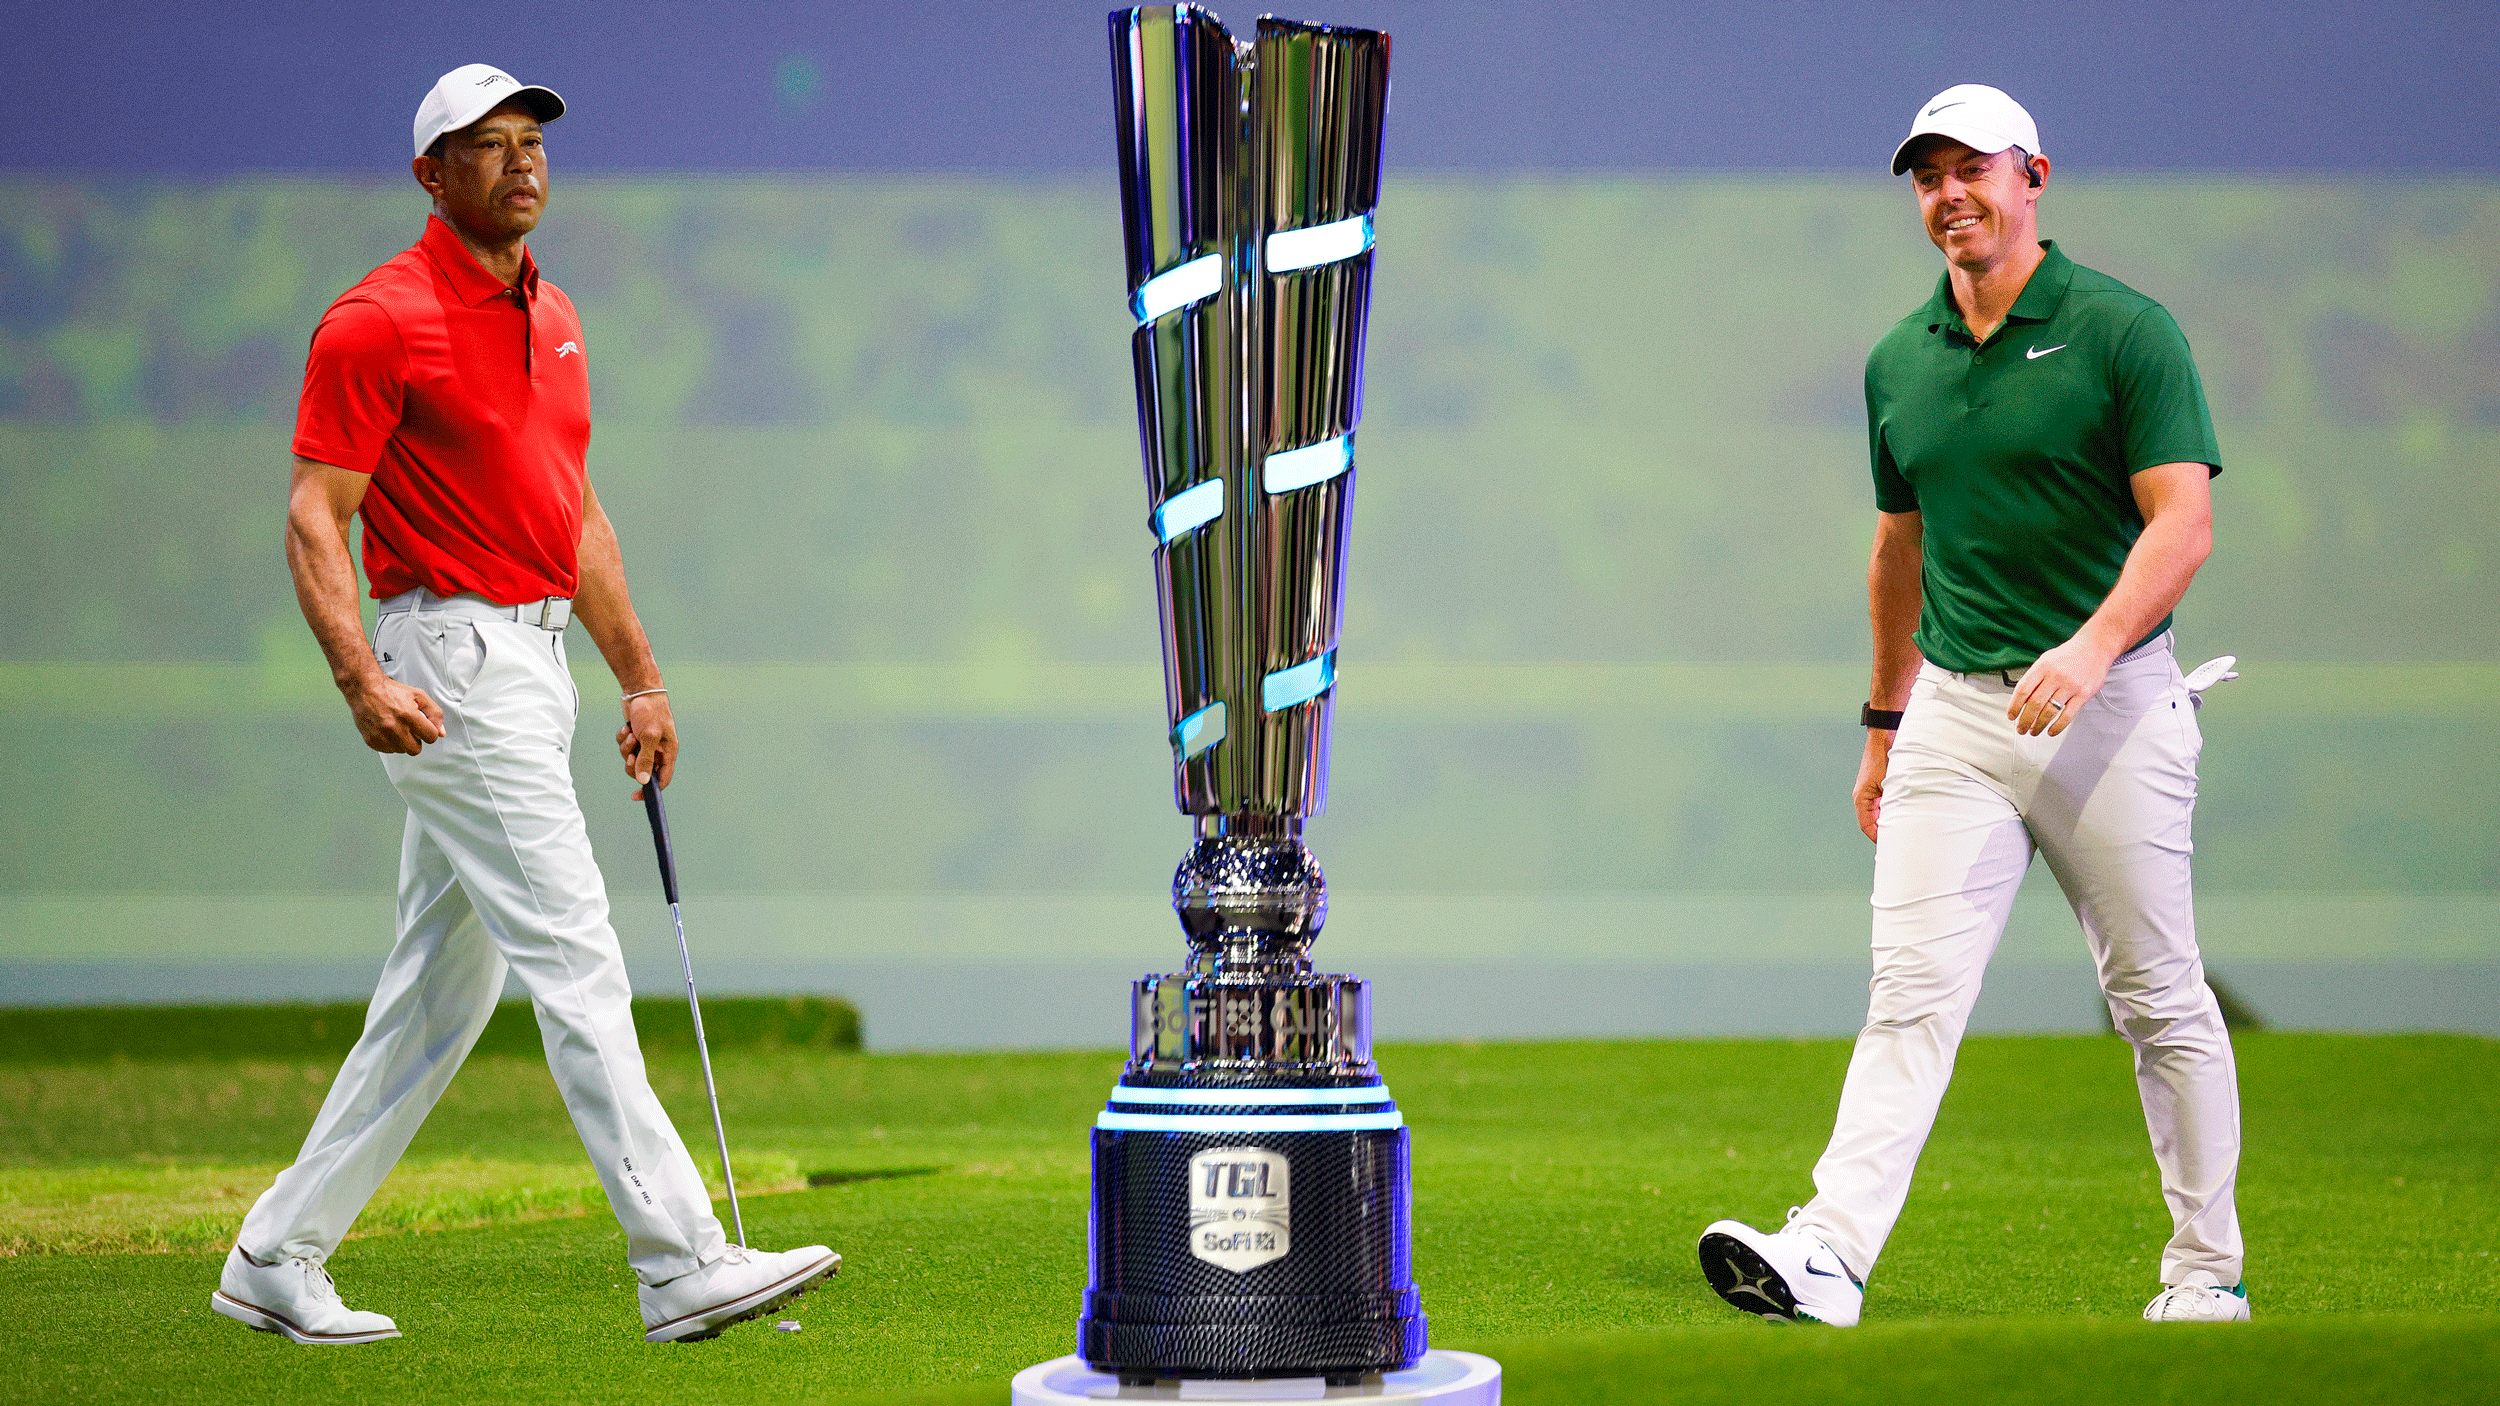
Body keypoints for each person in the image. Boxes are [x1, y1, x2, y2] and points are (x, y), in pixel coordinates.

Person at [213, 63, 837, 1346]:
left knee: (440, 993)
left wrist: (641, 673)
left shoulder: (556, 317)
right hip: (448, 665)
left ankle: (276, 1250)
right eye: (483, 146)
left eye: (530, 141)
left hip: (535, 662)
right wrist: (359, 677)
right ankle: (679, 1256)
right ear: (430, 176)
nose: (520, 161)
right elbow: (311, 516)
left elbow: (578, 515)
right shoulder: (376, 321)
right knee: (576, 953)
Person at [1695, 84, 2248, 1327]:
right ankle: (1830, 1252)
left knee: (2157, 995)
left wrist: (2094, 646)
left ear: (2032, 174)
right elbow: (1899, 548)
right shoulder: (1901, 357)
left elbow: (2183, 520)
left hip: (2109, 710)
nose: (1950, 194)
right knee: (1909, 990)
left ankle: (2207, 1271)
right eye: (1927, 176)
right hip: (1952, 713)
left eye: (1972, 169)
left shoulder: (2122, 330)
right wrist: (1884, 724)